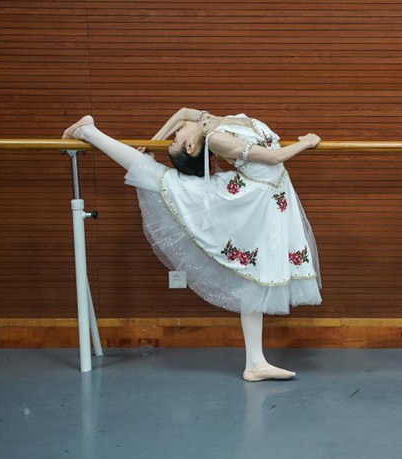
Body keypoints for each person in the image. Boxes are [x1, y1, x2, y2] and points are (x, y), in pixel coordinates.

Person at [63, 108, 323, 381]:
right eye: (176, 139)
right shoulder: (219, 139)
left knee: (256, 273)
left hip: (268, 198)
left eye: (173, 138)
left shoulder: (211, 122)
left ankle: (255, 361)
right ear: (191, 146)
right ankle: (88, 132)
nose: (175, 134)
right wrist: (306, 142)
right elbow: (274, 156)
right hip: (249, 198)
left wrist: (152, 141)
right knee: (160, 179)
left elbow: (183, 113)